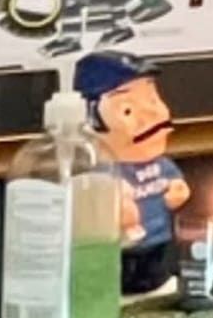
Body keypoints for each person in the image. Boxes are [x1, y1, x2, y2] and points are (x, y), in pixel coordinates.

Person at [72, 52, 190, 290]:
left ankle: (152, 283)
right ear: (91, 119)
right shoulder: (101, 171)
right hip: (120, 245)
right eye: (127, 110)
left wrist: (177, 190)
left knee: (153, 268)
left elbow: (175, 182)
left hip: (158, 236)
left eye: (154, 101)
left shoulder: (160, 164)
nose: (152, 117)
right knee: (121, 270)